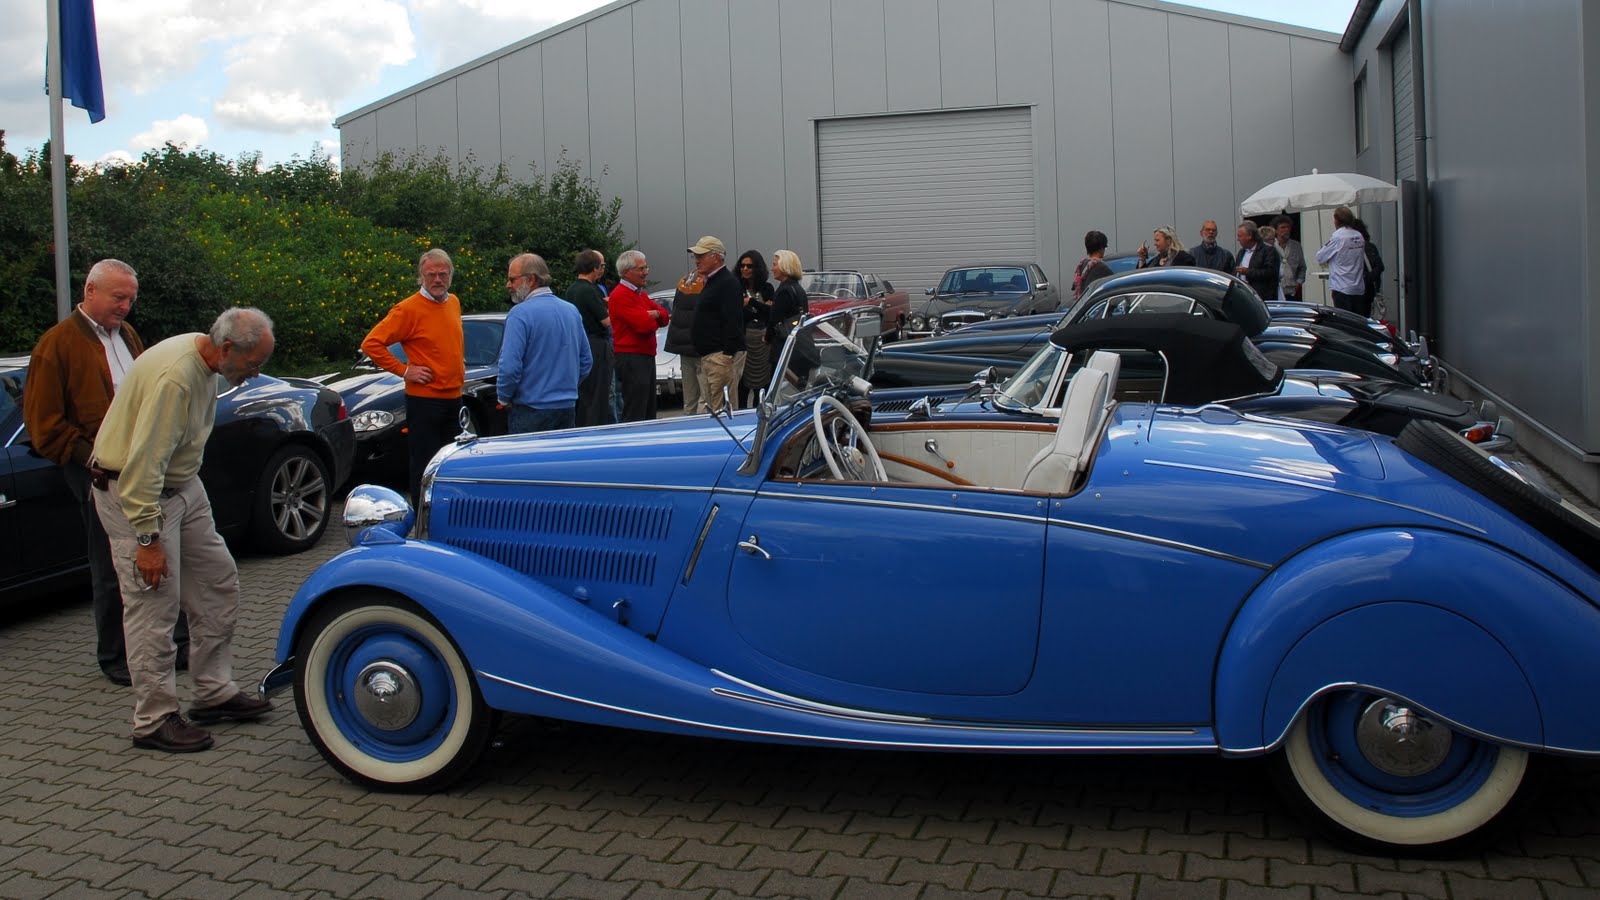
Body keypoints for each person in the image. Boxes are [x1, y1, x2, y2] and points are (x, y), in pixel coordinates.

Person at [91, 307, 277, 753]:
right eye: (253, 364)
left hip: (182, 488)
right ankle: (153, 720)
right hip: (138, 495)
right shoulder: (175, 379)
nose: (255, 373)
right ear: (227, 347)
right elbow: (143, 466)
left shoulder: (208, 358)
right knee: (153, 605)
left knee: (217, 581)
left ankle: (213, 692)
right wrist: (147, 540)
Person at [23, 259, 188, 687]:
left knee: (161, 550)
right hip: (94, 471)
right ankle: (115, 655)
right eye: (118, 297)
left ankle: (172, 644)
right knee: (111, 563)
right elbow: (44, 425)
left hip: (139, 464)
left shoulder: (127, 335)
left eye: (131, 299)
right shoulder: (57, 345)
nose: (125, 306)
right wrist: (92, 459)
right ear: (90, 291)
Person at [361, 249, 464, 500]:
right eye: (431, 275)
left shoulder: (453, 302)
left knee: (451, 464)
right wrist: (405, 370)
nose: (437, 279)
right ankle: (421, 517)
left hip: (455, 398)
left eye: (443, 274)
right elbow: (371, 344)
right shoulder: (407, 309)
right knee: (425, 465)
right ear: (421, 276)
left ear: (451, 275)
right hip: (425, 401)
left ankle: (446, 514)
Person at [498, 253, 592, 432]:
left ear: (531, 279)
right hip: (566, 406)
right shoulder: (571, 311)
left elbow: (510, 367)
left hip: (530, 408)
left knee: (528, 452)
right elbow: (586, 361)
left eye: (512, 279)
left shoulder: (520, 313)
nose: (508, 285)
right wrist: (566, 388)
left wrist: (503, 397)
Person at [608, 250, 670, 422]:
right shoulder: (621, 295)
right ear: (627, 272)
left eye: (646, 268)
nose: (646, 272)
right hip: (632, 358)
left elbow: (665, 317)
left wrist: (655, 314)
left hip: (644, 356)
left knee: (648, 408)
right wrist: (653, 317)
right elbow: (644, 325)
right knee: (636, 409)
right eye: (641, 269)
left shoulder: (639, 294)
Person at [686, 236, 744, 414]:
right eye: (695, 256)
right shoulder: (713, 281)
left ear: (716, 257)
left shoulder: (727, 282)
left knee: (723, 411)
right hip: (710, 356)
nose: (697, 260)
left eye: (701, 256)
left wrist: (727, 355)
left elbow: (733, 319)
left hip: (719, 357)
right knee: (714, 409)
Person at [566, 249, 613, 427]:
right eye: (601, 266)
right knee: (598, 393)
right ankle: (597, 429)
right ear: (594, 268)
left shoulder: (571, 289)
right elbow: (606, 321)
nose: (602, 269)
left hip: (577, 343)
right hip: (595, 344)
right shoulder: (589, 290)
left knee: (584, 393)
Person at [735, 250, 776, 407]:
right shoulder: (736, 287)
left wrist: (751, 303)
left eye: (749, 266)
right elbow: (739, 315)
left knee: (762, 387)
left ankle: (759, 416)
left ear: (757, 268)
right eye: (742, 265)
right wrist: (762, 307)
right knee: (742, 386)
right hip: (744, 343)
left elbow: (771, 314)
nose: (745, 269)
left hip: (763, 343)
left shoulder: (767, 288)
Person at [1316, 206, 1368, 315]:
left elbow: (1320, 257)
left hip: (1341, 287)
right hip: (1358, 286)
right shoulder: (1359, 236)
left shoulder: (1338, 237)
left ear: (1336, 219)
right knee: (1358, 319)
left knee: (1344, 319)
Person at [1235, 221, 1280, 299]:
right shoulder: (1241, 252)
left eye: (1240, 236)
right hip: (1243, 294)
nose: (1238, 239)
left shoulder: (1268, 251)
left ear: (1249, 236)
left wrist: (1247, 272)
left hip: (1261, 297)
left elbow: (1269, 272)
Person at [1354, 217, 1386, 319]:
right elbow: (1379, 266)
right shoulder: (1369, 246)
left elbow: (1379, 266)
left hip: (1363, 290)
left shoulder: (1364, 247)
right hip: (1367, 290)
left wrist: (1365, 279)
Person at [1071, 231, 1114, 302]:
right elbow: (1114, 287)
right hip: (1096, 305)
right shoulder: (1102, 267)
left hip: (1083, 304)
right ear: (1101, 248)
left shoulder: (1082, 264)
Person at [1272, 215, 1307, 300]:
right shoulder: (1271, 246)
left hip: (1292, 290)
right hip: (1275, 289)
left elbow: (1302, 267)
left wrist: (1299, 282)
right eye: (1283, 227)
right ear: (1276, 230)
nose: (1286, 230)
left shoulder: (1296, 246)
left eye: (1288, 227)